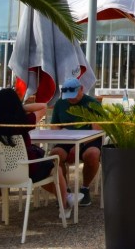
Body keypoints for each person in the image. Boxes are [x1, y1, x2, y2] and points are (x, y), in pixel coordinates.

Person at [0, 88, 83, 217]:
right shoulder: (23, 121)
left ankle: (66, 196)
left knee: (46, 169)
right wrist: (20, 107)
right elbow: (43, 107)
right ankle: (65, 205)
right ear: (16, 103)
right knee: (54, 168)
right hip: (25, 171)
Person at [49, 77, 102, 207]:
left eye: (73, 95)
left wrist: (79, 144)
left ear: (82, 89)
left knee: (93, 154)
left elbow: (97, 130)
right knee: (55, 155)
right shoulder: (60, 104)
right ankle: (64, 190)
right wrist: (61, 136)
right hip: (66, 139)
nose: (70, 99)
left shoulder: (93, 103)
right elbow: (55, 125)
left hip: (89, 139)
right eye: (68, 96)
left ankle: (85, 188)